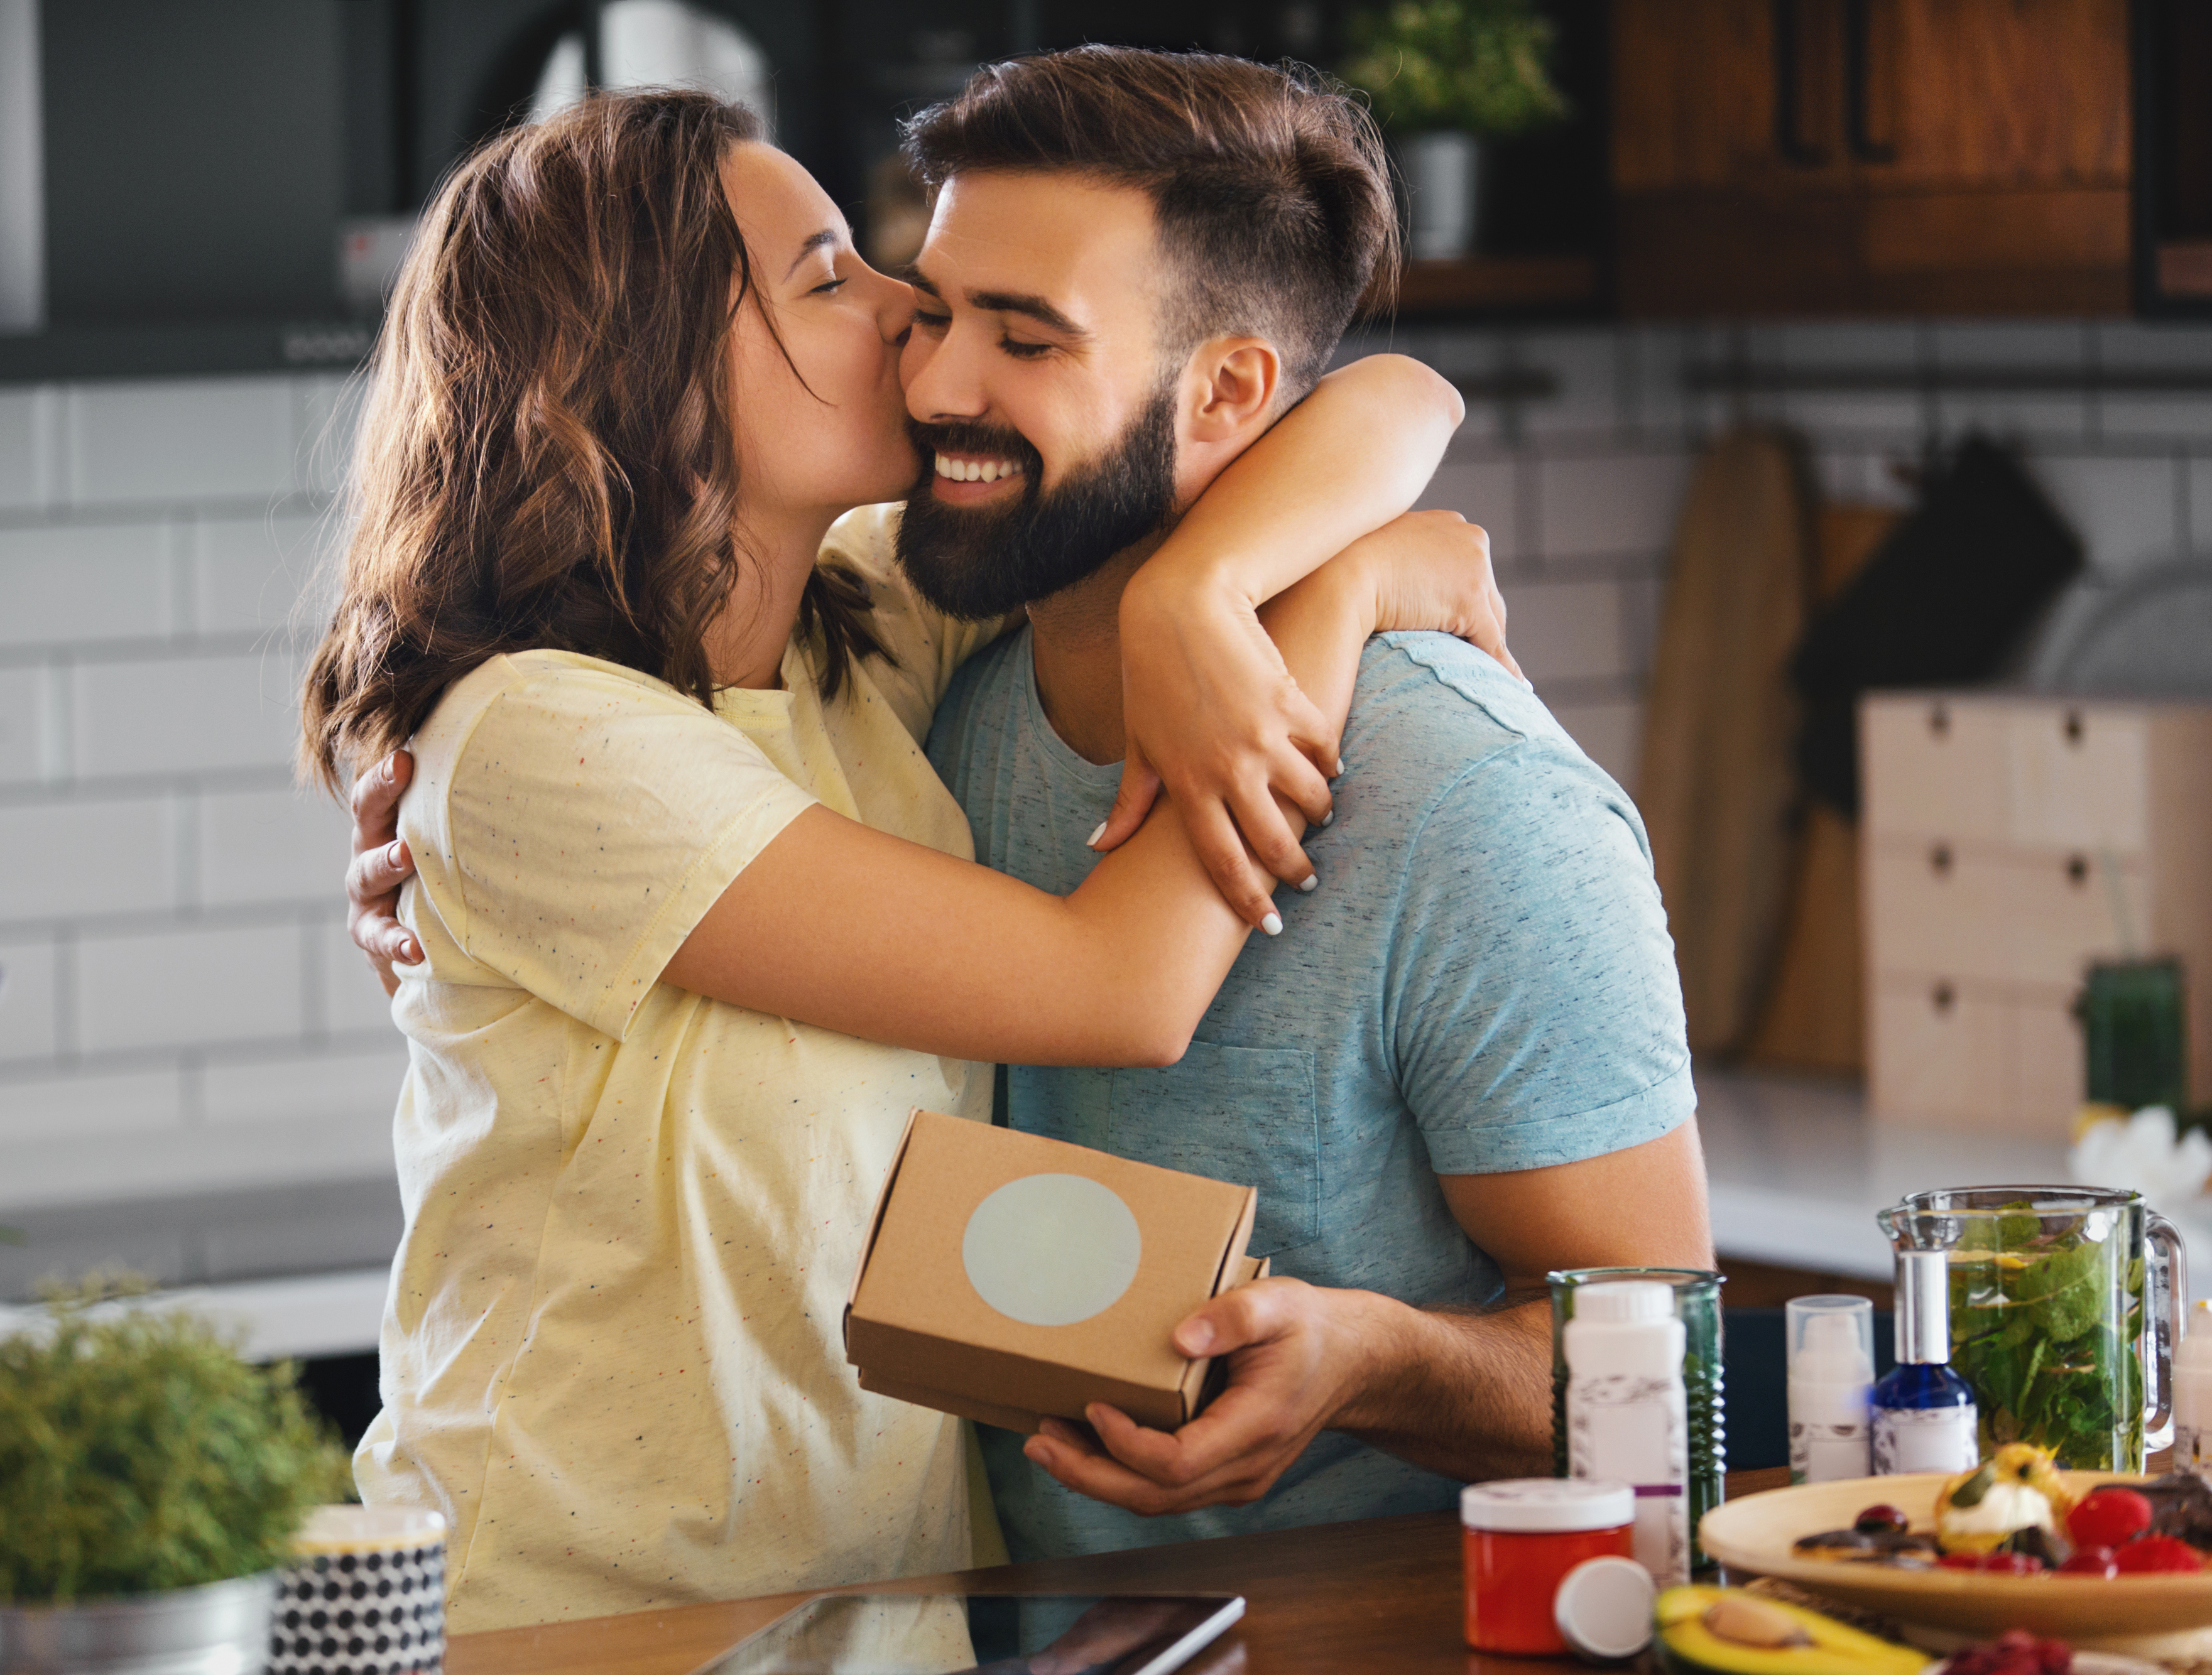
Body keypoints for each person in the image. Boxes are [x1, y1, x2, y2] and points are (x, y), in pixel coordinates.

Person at [351, 45, 1714, 1573]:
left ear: (1224, 390)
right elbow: (1119, 984)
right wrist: (1322, 599)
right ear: (634, 370)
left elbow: (1400, 388)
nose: (920, 365)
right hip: (606, 1622)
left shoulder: (865, 632)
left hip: (938, 1623)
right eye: (871, 293)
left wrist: (1220, 591)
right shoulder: (826, 663)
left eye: (1014, 332)